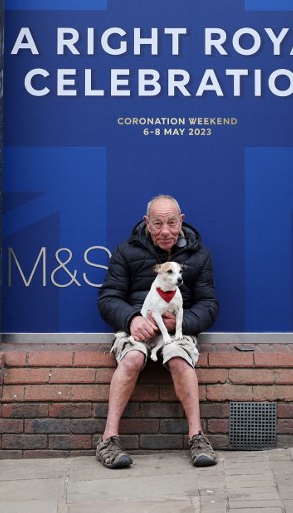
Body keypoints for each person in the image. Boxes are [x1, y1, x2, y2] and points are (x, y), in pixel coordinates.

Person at [96, 194, 220, 468]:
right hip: (137, 327)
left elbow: (209, 304)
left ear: (182, 221)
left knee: (179, 357)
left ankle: (197, 437)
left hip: (176, 330)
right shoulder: (126, 251)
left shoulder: (198, 254)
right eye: (158, 223)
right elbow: (108, 298)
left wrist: (182, 324)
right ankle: (108, 439)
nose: (166, 231)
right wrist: (131, 319)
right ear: (147, 223)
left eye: (172, 223)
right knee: (132, 358)